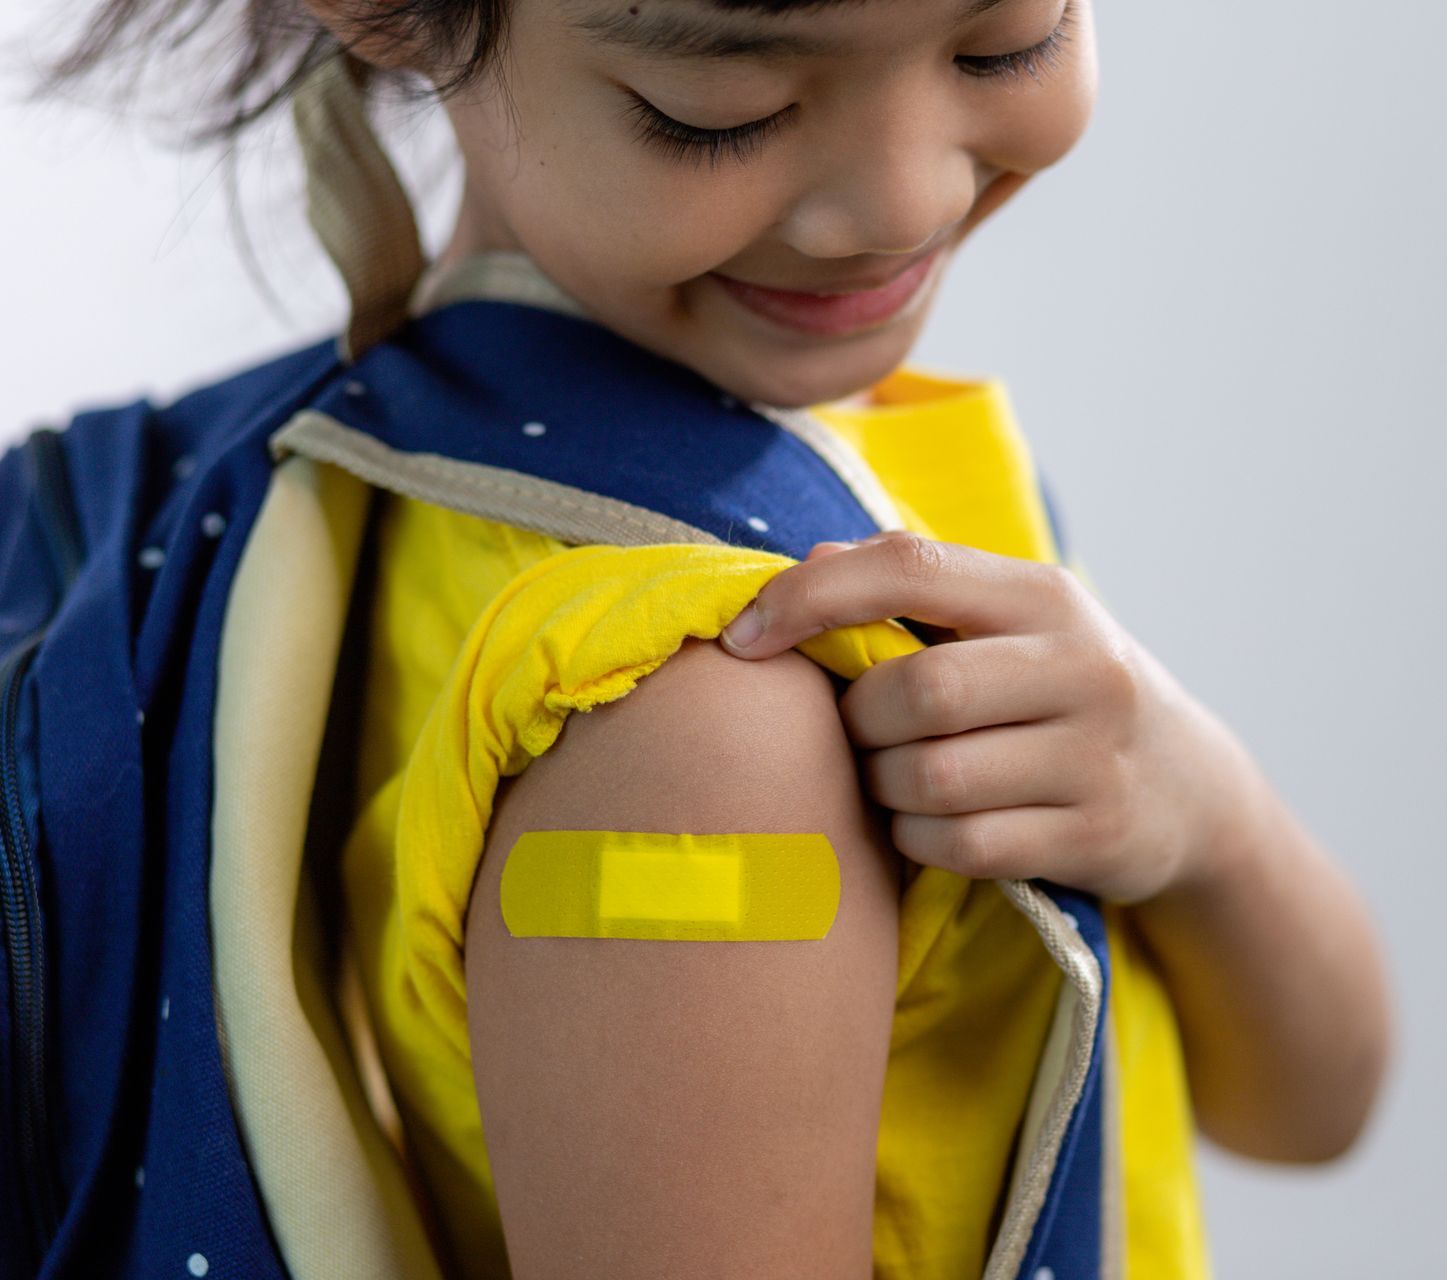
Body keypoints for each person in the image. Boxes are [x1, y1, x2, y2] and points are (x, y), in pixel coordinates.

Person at [23, 1, 1393, 1278]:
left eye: (1007, 40)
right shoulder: (703, 723)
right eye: (717, 107)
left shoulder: (285, 491)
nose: (904, 198)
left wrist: (1202, 817)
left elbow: (1315, 1105)